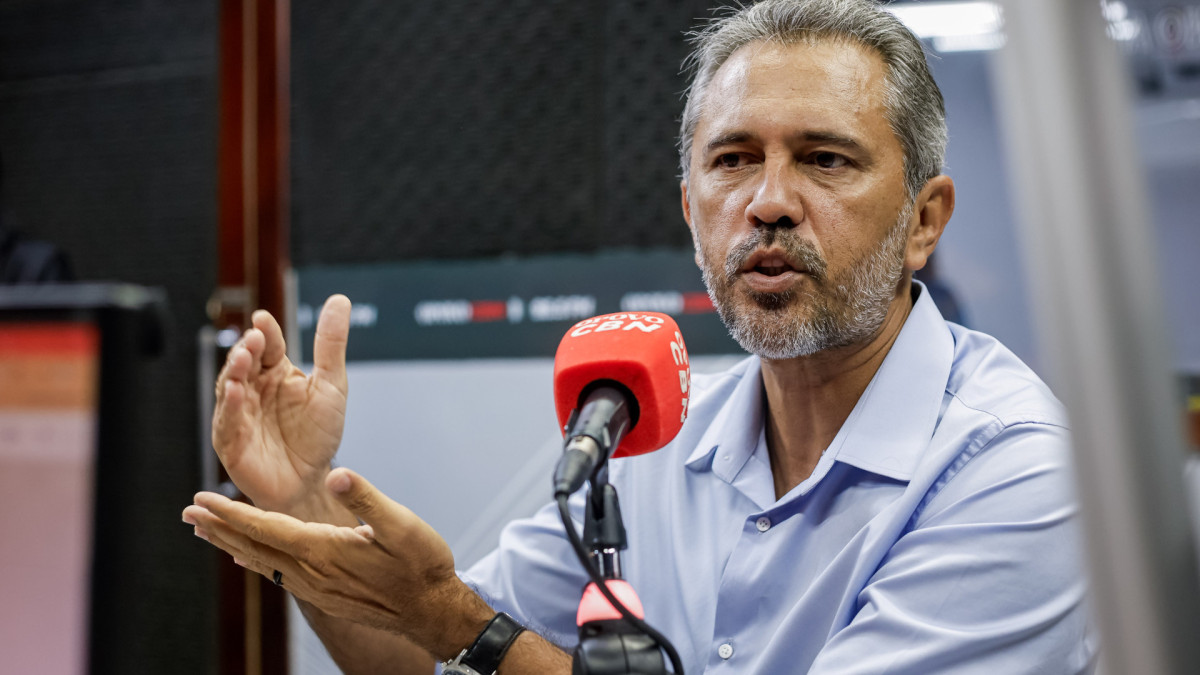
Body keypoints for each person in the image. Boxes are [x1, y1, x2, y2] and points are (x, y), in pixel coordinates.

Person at [183, 0, 1097, 672]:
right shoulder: (655, 441)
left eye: (825, 159)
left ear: (924, 220)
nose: (769, 202)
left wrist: (460, 620)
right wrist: (303, 505)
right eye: (733, 161)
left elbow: (450, 629)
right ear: (692, 211)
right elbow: (413, 657)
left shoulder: (1017, 468)